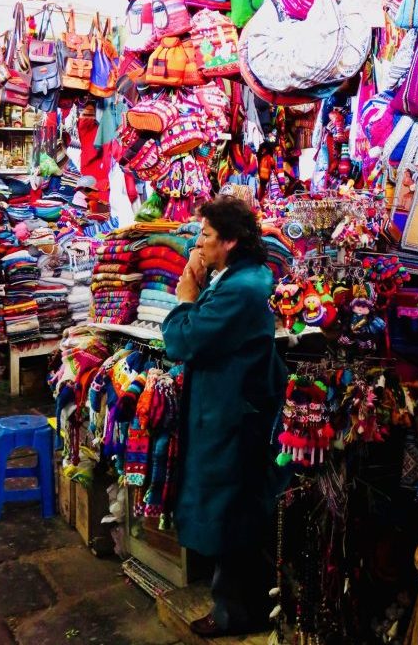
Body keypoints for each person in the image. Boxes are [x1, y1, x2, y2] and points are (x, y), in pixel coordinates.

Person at [162, 195, 287, 638]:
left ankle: (235, 613)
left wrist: (185, 297)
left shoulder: (241, 288)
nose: (198, 244)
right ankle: (238, 605)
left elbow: (183, 341)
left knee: (231, 515)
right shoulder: (237, 278)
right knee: (234, 511)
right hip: (228, 411)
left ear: (230, 242)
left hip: (233, 419)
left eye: (207, 236)